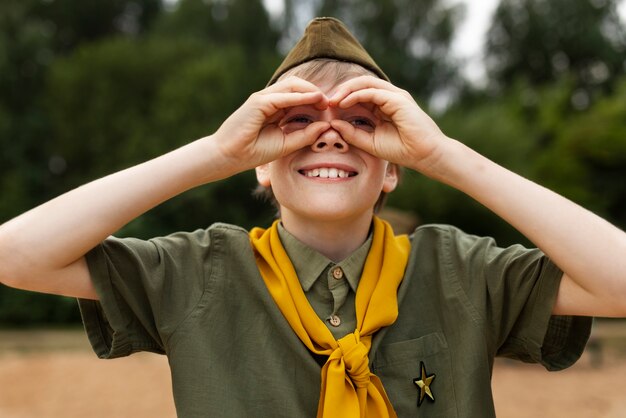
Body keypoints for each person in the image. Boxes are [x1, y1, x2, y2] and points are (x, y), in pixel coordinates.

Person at [0, 16, 625, 418]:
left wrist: (446, 156)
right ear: (261, 165)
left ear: (393, 166)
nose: (329, 139)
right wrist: (213, 153)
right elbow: (16, 254)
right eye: (294, 124)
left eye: (363, 122)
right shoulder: (198, 271)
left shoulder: (460, 270)